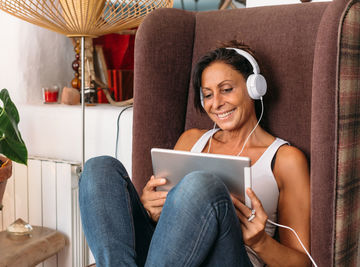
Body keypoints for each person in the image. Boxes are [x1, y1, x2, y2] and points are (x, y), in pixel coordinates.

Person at [79, 40, 311, 267]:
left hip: (230, 257)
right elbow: (166, 228)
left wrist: (260, 242)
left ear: (254, 87)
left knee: (201, 184)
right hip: (168, 255)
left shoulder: (285, 159)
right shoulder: (191, 140)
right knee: (99, 168)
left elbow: (302, 262)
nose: (216, 103)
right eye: (208, 95)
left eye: (227, 90)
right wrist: (150, 208)